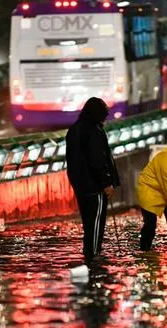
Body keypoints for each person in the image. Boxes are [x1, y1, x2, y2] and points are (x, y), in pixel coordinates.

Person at [66, 97, 120, 261]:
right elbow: (97, 160)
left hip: (79, 183)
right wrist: (106, 183)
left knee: (88, 221)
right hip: (94, 185)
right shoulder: (93, 131)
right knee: (96, 221)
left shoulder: (74, 129)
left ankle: (89, 251)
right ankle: (94, 253)